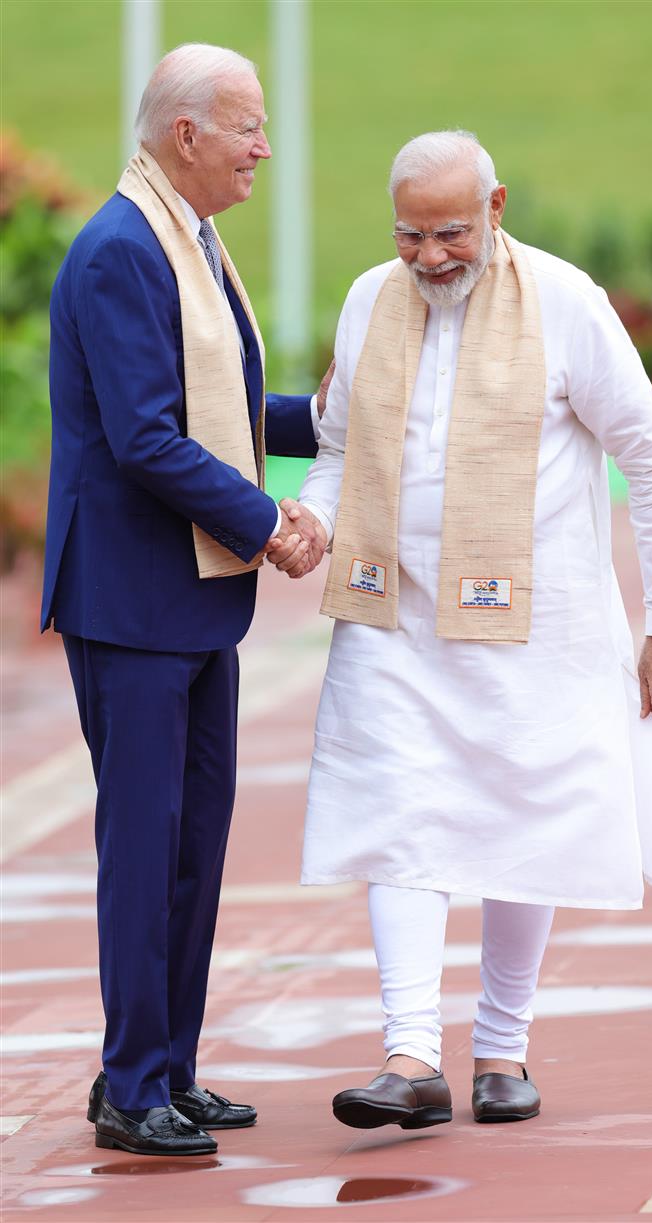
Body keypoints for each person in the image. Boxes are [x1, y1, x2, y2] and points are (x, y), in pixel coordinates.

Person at [288, 131, 652, 1130]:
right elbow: (337, 449)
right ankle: (409, 1052)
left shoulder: (564, 302)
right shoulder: (364, 299)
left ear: (496, 207)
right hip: (392, 617)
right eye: (408, 235)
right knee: (396, 811)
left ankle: (502, 1047)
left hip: (538, 625)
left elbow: (651, 460)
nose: (427, 257)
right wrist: (311, 518)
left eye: (449, 234)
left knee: (528, 818)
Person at [42, 43, 326, 1156]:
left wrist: (334, 415)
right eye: (247, 127)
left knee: (195, 840)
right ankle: (127, 1083)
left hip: (191, 602)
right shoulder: (122, 249)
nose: (264, 146)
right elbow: (148, 435)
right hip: (131, 602)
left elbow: (225, 402)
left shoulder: (190, 238)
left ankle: (172, 1067)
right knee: (144, 841)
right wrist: (267, 519)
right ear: (185, 136)